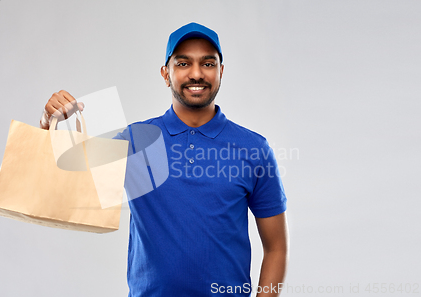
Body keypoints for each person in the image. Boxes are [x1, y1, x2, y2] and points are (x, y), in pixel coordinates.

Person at [40, 22, 288, 297]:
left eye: (207, 63)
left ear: (221, 71)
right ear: (165, 73)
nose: (196, 74)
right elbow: (62, 183)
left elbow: (276, 248)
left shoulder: (253, 149)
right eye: (183, 64)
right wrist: (49, 127)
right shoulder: (134, 141)